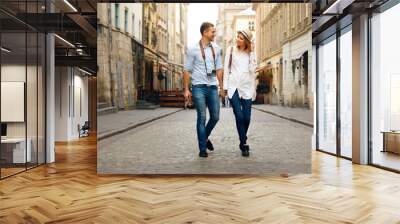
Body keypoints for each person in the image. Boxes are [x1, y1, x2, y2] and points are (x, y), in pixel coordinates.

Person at [183, 22, 224, 158]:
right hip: (198, 87)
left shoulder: (217, 49)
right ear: (205, 32)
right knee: (202, 117)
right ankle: (202, 149)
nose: (215, 34)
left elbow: (219, 69)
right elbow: (187, 70)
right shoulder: (193, 49)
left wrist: (222, 87)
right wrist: (186, 89)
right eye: (213, 31)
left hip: (212, 87)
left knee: (216, 117)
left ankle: (204, 137)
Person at [223, 29, 257, 157]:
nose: (238, 39)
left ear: (247, 41)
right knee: (239, 116)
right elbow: (226, 68)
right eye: (238, 37)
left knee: (247, 117)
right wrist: (225, 87)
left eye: (241, 38)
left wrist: (252, 52)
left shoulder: (250, 53)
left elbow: (253, 69)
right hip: (233, 87)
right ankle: (244, 144)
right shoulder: (230, 50)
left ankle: (242, 140)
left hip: (247, 88)